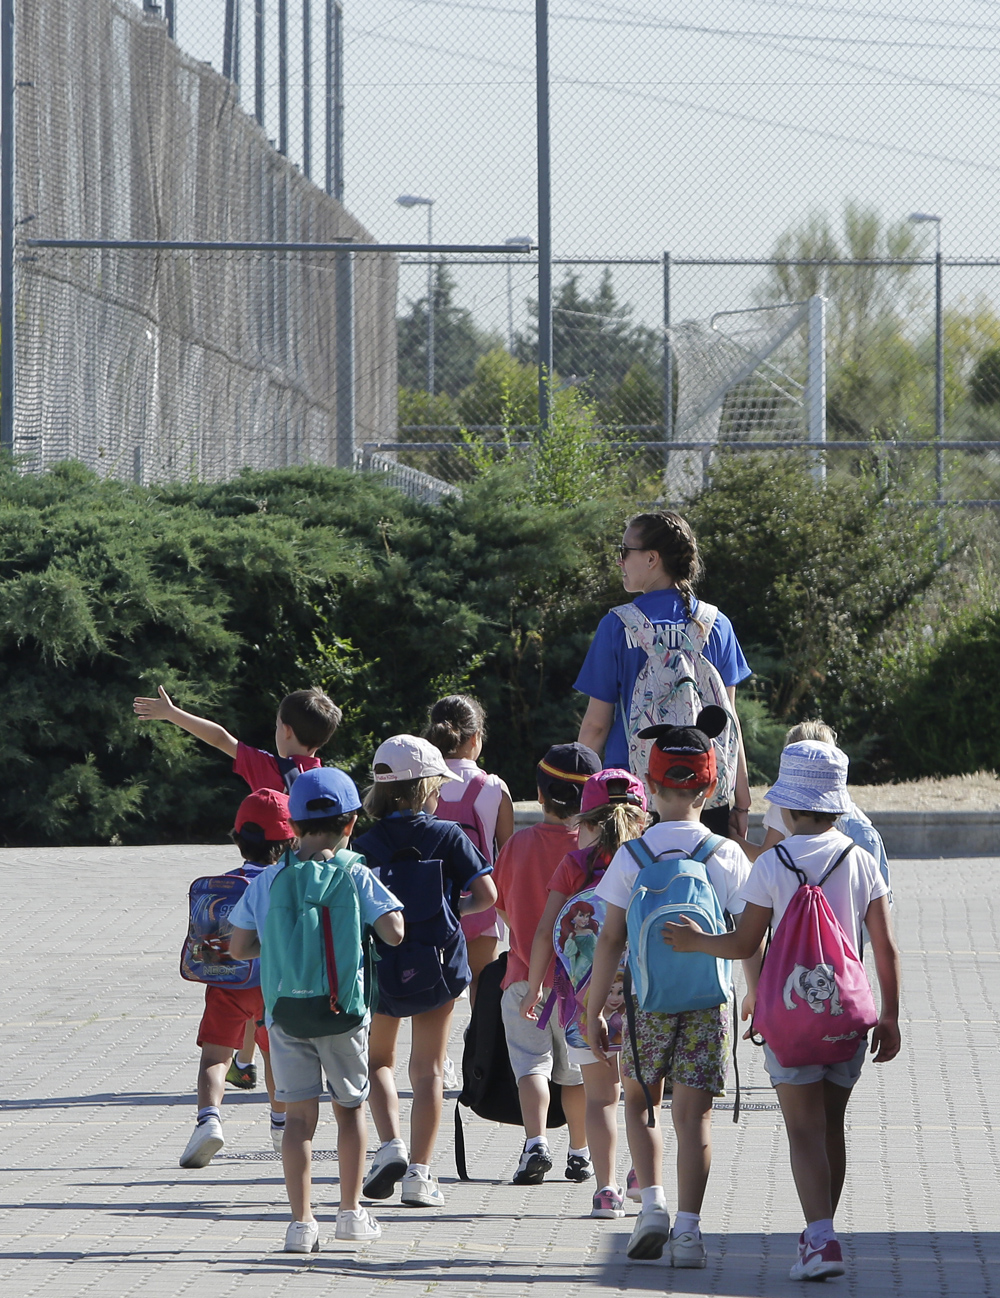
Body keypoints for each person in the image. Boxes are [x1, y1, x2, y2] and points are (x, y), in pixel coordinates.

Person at [663, 740, 901, 1281]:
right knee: (831, 1127)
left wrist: (698, 941)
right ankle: (823, 1233)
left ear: (788, 808)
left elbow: (747, 944)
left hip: (791, 1018)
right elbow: (885, 947)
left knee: (802, 1131)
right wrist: (891, 1016)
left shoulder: (771, 862)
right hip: (846, 1015)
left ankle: (820, 1239)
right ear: (837, 803)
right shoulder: (860, 859)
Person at [586, 721, 761, 1269]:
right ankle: (688, 1233)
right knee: (695, 1119)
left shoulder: (631, 856)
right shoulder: (726, 854)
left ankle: (653, 1207)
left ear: (649, 785)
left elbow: (610, 938)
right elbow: (749, 936)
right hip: (710, 1004)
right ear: (709, 792)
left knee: (638, 1102)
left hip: (648, 1004)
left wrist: (594, 1008)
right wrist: (752, 993)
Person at [228, 767, 405, 1253]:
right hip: (344, 1013)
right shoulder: (355, 872)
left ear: (293, 825)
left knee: (299, 1121)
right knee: (349, 1112)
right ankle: (350, 1213)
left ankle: (301, 1225)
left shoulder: (268, 880)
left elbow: (239, 947)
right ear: (351, 823)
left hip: (285, 1013)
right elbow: (395, 932)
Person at [353, 735, 497, 1209]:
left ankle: (390, 1143)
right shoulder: (447, 835)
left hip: (380, 964)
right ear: (426, 788)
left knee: (378, 1063)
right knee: (430, 1069)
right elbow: (488, 896)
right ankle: (419, 1173)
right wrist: (451, 910)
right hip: (437, 963)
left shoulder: (365, 842)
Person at [518, 768, 649, 1218]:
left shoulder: (574, 865)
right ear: (643, 818)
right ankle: (642, 1175)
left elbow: (542, 933)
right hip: (644, 1001)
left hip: (581, 1002)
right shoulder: (651, 860)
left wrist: (533, 987)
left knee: (600, 1097)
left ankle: (606, 1190)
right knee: (641, 1095)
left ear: (584, 821)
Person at [574, 510, 752, 839]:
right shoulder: (716, 624)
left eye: (624, 551)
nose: (619, 561)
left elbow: (597, 725)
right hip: (702, 790)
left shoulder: (617, 625)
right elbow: (730, 722)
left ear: (652, 558)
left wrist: (577, 793)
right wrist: (740, 801)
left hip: (629, 793)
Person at [492, 741, 602, 1186]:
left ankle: (535, 1144)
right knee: (575, 1072)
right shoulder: (593, 851)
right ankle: (581, 1152)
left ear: (539, 795)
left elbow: (500, 906)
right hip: (579, 984)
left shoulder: (518, 844)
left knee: (530, 1066)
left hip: (522, 976)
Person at [178, 789, 295, 1169]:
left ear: (238, 839)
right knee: (274, 1053)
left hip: (228, 982)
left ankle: (208, 1121)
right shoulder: (287, 882)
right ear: (288, 837)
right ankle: (280, 1126)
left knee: (215, 1056)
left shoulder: (226, 883)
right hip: (274, 986)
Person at [425, 693, 515, 1005]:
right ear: (475, 738)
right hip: (482, 902)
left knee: (437, 990)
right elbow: (507, 856)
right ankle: (477, 1050)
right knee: (484, 986)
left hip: (430, 903)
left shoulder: (424, 784)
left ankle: (434, 1052)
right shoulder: (493, 787)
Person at [736, 723, 891, 898]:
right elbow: (880, 915)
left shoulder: (770, 859)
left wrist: (731, 837)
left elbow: (762, 855)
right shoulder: (860, 837)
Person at [133, 685, 341, 793]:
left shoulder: (269, 768)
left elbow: (220, 738)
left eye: (277, 725)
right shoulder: (329, 781)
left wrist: (172, 713)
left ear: (287, 731)